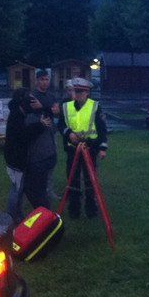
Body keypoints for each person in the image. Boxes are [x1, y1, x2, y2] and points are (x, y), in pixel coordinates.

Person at [59, 76, 109, 219]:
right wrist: (69, 133)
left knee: (90, 179)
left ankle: (91, 209)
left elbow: (102, 128)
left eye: (81, 92)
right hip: (72, 149)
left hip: (90, 148)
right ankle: (74, 209)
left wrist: (102, 148)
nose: (78, 94)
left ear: (87, 93)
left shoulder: (95, 106)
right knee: (72, 179)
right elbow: (61, 124)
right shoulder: (66, 106)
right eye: (76, 91)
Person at [3, 87, 47, 223]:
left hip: (15, 158)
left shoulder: (18, 113)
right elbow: (24, 134)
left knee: (19, 189)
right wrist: (40, 125)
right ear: (22, 101)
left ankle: (17, 215)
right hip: (15, 159)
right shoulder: (16, 116)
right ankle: (10, 218)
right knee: (16, 190)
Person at [21, 69, 60, 213]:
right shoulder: (32, 96)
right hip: (37, 135)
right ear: (37, 80)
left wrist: (44, 108)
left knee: (49, 165)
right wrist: (48, 110)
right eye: (42, 79)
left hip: (50, 133)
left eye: (46, 79)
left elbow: (56, 112)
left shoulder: (51, 96)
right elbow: (33, 112)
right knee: (37, 166)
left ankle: (47, 193)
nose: (45, 82)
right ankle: (33, 198)